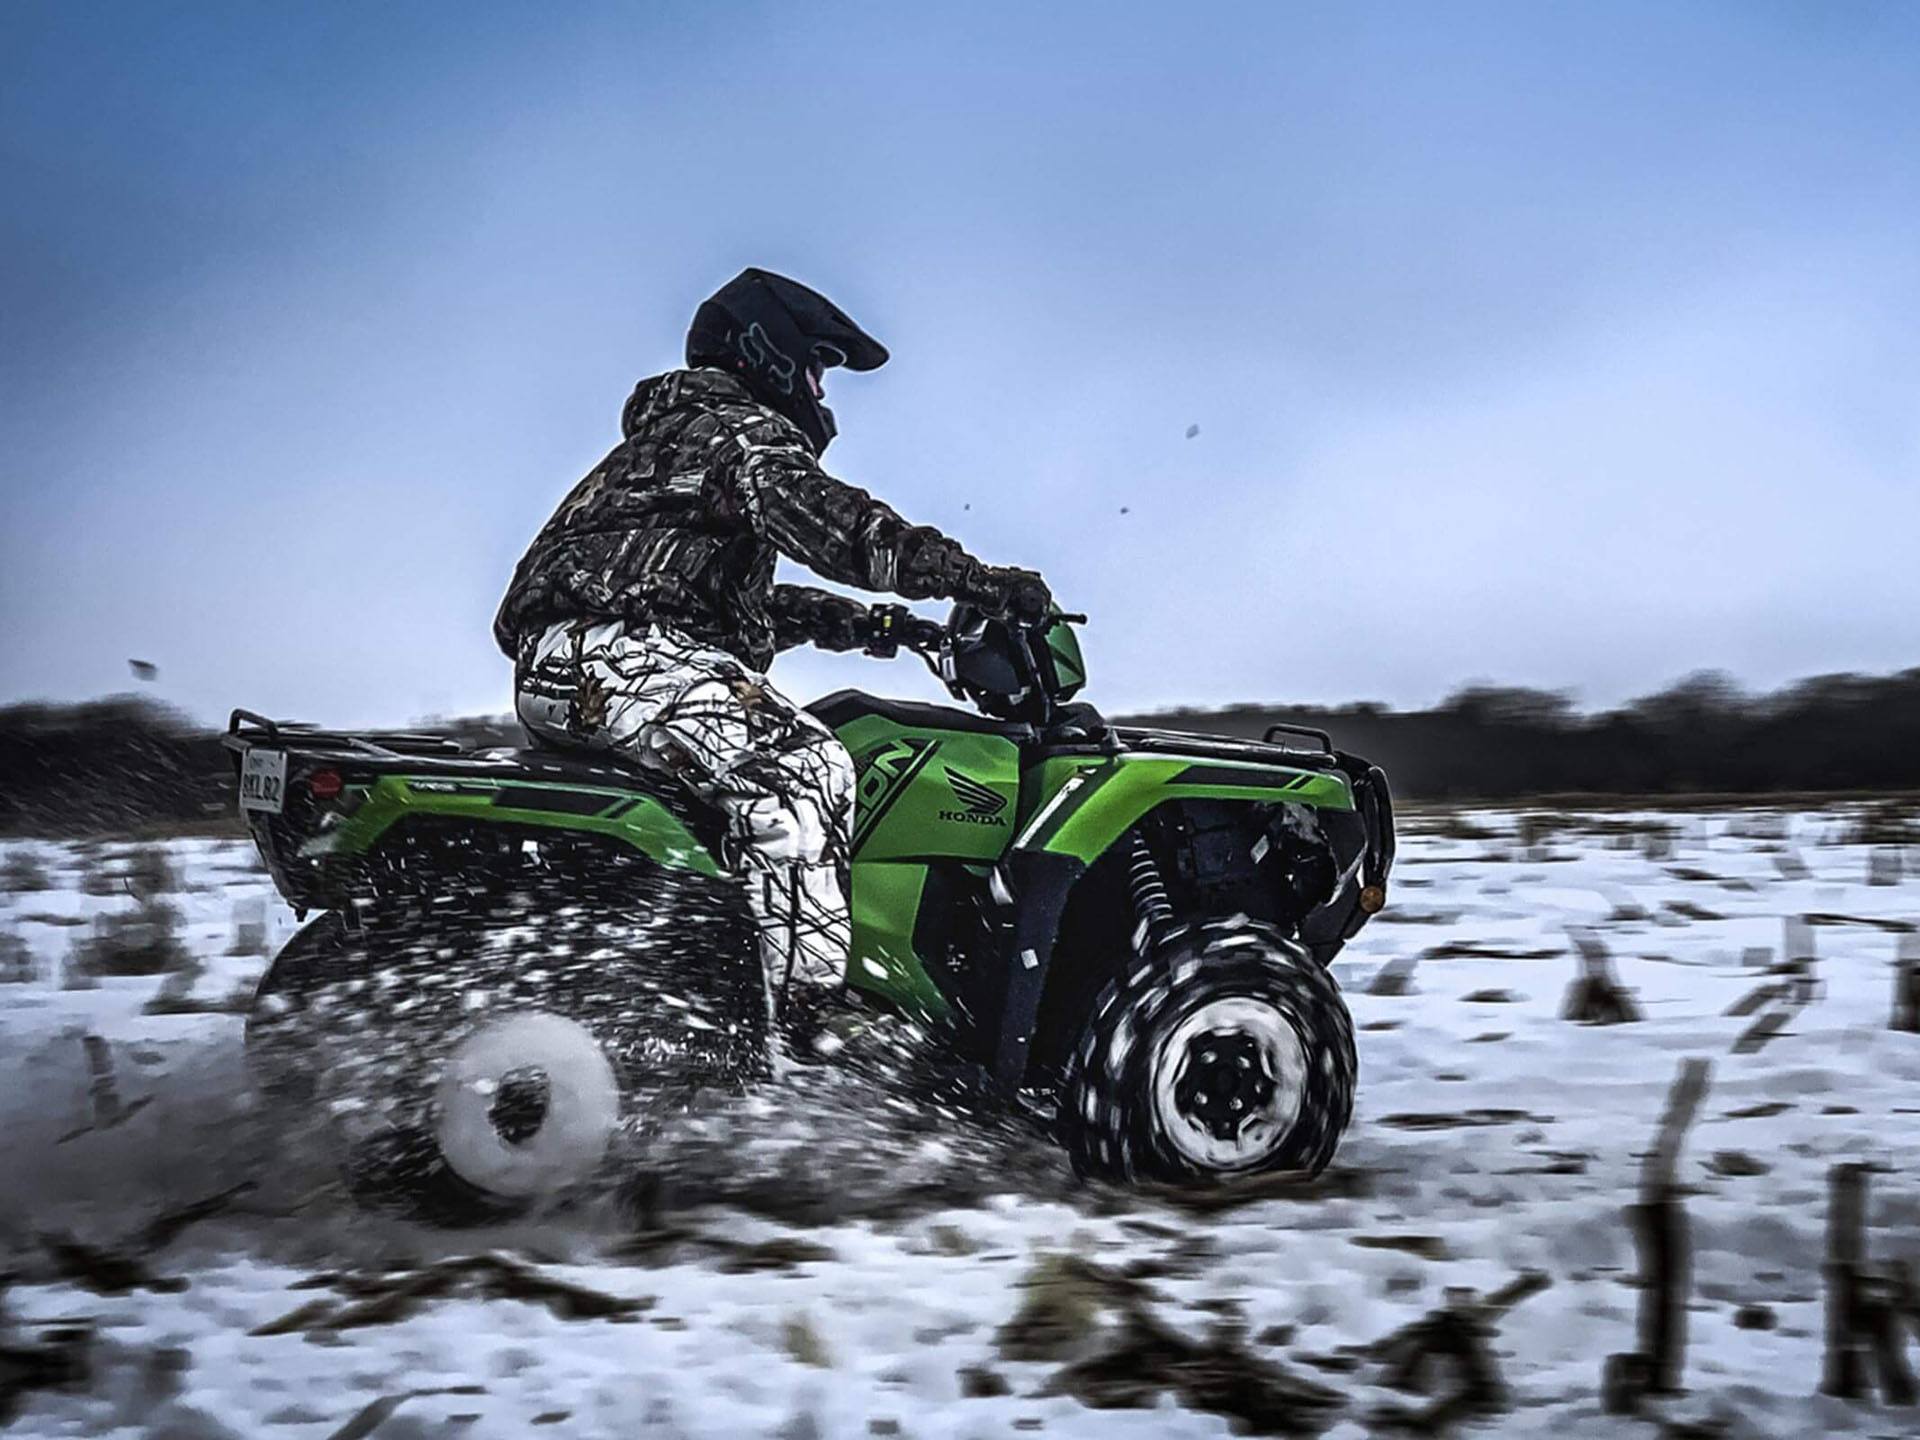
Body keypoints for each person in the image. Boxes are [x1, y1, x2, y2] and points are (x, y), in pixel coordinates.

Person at [494, 267, 1052, 1041]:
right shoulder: (739, 432)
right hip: (614, 657)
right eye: (819, 368)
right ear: (772, 352)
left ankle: (702, 989)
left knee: (744, 795)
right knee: (804, 771)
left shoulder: (678, 439)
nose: (821, 393)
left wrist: (887, 631)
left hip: (585, 661)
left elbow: (744, 607)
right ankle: (800, 1039)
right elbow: (838, 527)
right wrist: (978, 580)